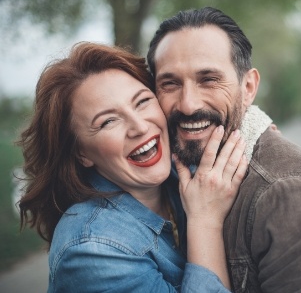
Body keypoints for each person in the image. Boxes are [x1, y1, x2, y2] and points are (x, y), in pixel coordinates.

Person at [18, 42, 248, 292]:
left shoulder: (180, 171)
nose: (139, 126)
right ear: (81, 153)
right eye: (108, 121)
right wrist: (205, 221)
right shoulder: (92, 249)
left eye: (142, 102)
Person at [147, 6, 301, 292]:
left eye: (208, 79)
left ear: (248, 88)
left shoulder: (286, 193)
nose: (188, 104)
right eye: (170, 83)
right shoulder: (168, 168)